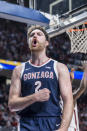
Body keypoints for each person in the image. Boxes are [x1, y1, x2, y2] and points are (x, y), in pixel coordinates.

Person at [8, 25, 73, 131]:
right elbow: (12, 105)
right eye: (32, 35)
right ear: (29, 43)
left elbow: (68, 100)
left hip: (52, 121)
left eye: (39, 34)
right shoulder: (19, 70)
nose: (35, 36)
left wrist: (63, 128)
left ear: (47, 42)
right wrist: (35, 97)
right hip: (27, 122)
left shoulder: (59, 67)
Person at [68, 65, 87, 131]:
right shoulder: (71, 98)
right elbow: (83, 87)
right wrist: (85, 70)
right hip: (70, 128)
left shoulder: (55, 97)